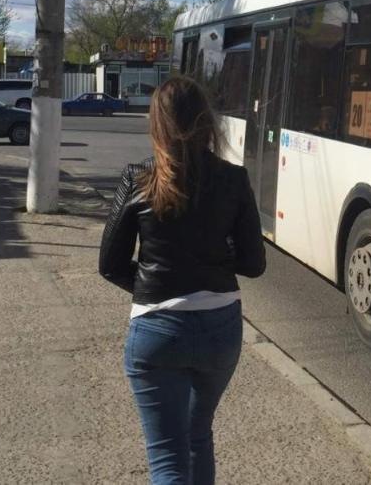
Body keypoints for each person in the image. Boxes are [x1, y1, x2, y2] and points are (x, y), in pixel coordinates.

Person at [99, 76, 266, 485]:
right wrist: (212, 261)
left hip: (156, 332)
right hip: (220, 331)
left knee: (167, 456)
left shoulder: (138, 179)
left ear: (157, 123)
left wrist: (154, 287)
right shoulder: (233, 179)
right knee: (198, 435)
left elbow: (110, 264)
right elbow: (254, 264)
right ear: (208, 122)